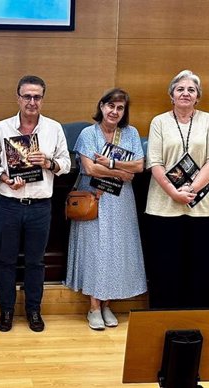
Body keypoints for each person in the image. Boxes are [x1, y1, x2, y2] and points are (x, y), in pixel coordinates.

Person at [0, 75, 71, 332]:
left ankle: (33, 310)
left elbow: (65, 164)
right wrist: (4, 178)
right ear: (18, 98)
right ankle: (7, 311)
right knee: (6, 260)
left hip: (40, 206)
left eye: (37, 97)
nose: (32, 101)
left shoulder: (53, 128)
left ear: (42, 99)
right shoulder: (2, 128)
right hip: (9, 203)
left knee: (36, 262)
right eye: (27, 96)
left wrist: (48, 163)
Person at [65, 88, 146, 330]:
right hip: (94, 198)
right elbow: (90, 168)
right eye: (110, 106)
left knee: (116, 251)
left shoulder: (130, 133)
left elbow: (140, 166)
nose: (114, 111)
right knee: (96, 250)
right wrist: (121, 171)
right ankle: (93, 307)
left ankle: (107, 304)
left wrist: (110, 163)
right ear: (101, 107)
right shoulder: (88, 133)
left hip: (120, 201)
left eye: (120, 108)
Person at [144, 70, 209, 309]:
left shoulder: (207, 120)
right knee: (165, 265)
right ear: (171, 95)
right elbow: (154, 162)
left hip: (204, 206)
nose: (185, 93)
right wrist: (173, 192)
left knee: (203, 265)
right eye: (180, 89)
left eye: (191, 90)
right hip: (164, 205)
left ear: (197, 96)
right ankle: (164, 316)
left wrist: (192, 189)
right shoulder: (159, 121)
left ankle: (200, 316)